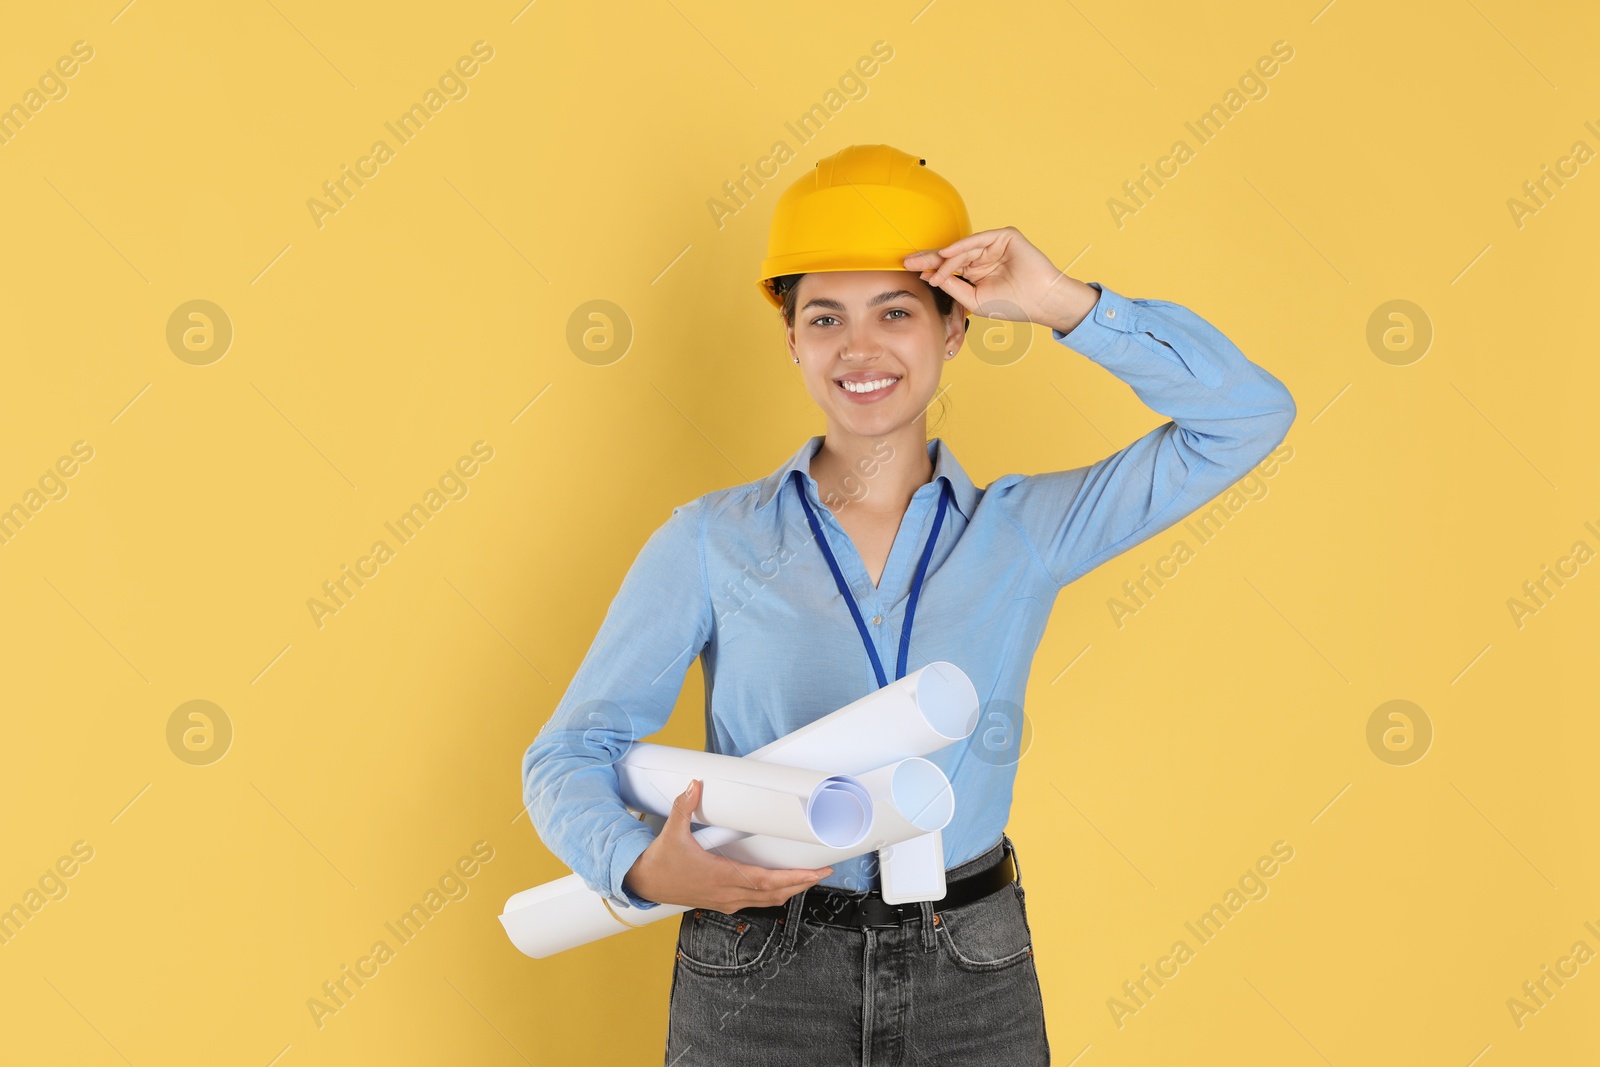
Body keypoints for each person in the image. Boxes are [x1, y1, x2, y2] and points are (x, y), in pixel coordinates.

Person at [522, 144, 1297, 1065]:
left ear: (955, 327)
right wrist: (640, 862)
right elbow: (571, 750)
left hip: (970, 963)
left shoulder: (1026, 532)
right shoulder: (708, 541)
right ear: (792, 338)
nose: (859, 348)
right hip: (760, 964)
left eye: (896, 311)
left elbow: (1247, 416)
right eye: (825, 317)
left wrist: (1063, 304)